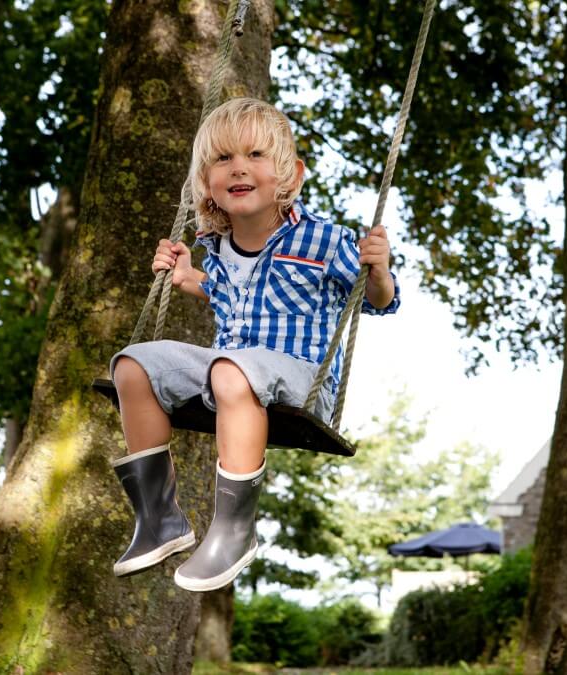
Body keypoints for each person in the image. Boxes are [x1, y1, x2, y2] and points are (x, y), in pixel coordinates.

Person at [108, 97, 400, 592]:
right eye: (223, 159)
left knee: (230, 369)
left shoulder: (325, 242)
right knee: (133, 365)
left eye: (256, 156)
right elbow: (223, 291)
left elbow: (375, 302)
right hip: (232, 370)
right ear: (207, 183)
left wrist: (380, 271)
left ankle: (233, 532)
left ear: (290, 175)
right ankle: (160, 519)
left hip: (303, 379)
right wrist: (186, 277)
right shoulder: (217, 246)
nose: (239, 168)